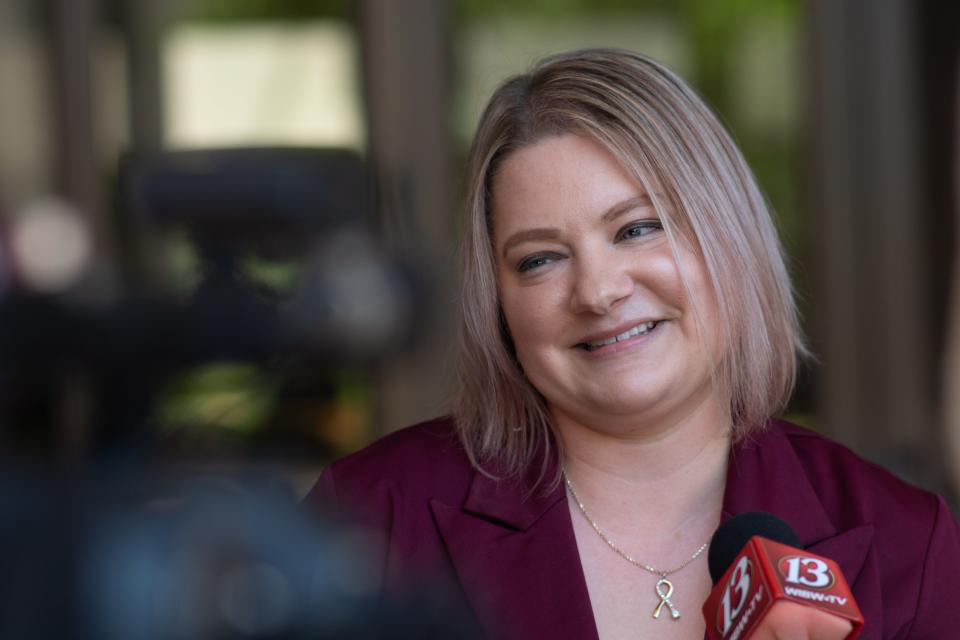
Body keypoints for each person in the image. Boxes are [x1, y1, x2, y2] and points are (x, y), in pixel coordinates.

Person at [307, 48, 960, 639]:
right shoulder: (371, 516)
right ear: (499, 304)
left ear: (728, 237)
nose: (597, 290)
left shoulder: (910, 541)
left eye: (638, 228)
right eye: (539, 260)